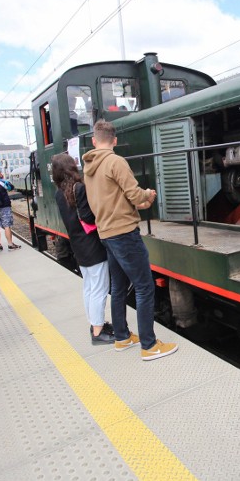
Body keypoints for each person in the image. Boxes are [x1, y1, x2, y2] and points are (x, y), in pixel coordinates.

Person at [82, 120, 178, 361]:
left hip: (106, 232)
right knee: (145, 287)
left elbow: (111, 199)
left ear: (94, 141)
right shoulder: (115, 161)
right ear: (114, 140)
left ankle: (122, 337)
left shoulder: (89, 167)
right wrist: (148, 195)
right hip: (124, 232)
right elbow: (134, 195)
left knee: (118, 288)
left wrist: (138, 202)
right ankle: (149, 345)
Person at [51, 153, 114, 344]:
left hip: (78, 245)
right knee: (99, 288)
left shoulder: (58, 192)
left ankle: (95, 324)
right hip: (92, 245)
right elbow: (87, 217)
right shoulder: (79, 188)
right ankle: (98, 332)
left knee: (89, 286)